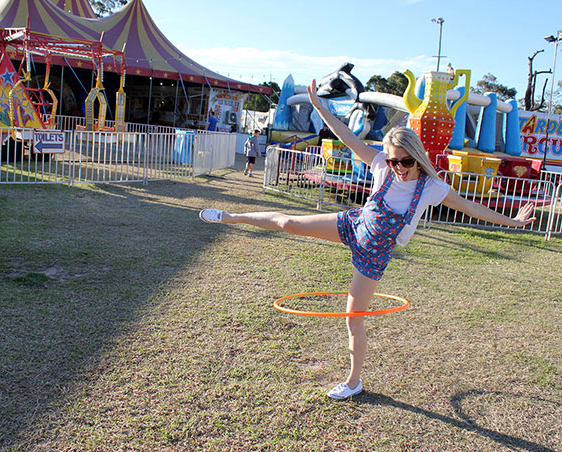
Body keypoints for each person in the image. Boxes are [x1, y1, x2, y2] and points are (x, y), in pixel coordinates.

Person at [198, 79, 536, 400]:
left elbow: (471, 207)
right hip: (353, 225)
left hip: (374, 255)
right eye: (393, 161)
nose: (398, 168)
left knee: (352, 319)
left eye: (405, 161)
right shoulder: (380, 165)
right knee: (288, 223)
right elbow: (346, 137)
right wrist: (319, 106)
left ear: (416, 157)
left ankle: (353, 382)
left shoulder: (431, 188)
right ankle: (229, 217)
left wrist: (513, 220)